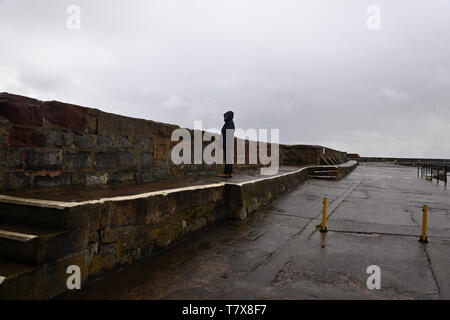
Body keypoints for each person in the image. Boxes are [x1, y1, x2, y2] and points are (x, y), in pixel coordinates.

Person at [218, 111, 235, 178]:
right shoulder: (229, 122)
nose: (225, 117)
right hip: (227, 142)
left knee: (227, 158)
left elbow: (229, 134)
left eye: (226, 116)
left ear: (229, 116)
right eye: (224, 116)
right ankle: (230, 172)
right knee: (228, 158)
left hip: (227, 142)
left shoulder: (230, 123)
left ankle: (226, 173)